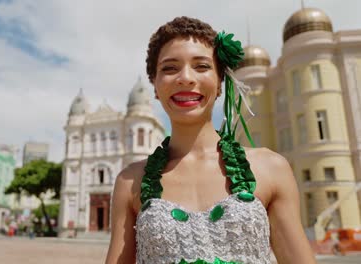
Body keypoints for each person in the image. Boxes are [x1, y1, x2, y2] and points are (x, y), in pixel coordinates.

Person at [105, 16, 316, 264]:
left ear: (219, 83)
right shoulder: (130, 181)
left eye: (202, 66)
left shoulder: (271, 168)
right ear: (155, 85)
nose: (185, 78)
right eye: (170, 68)